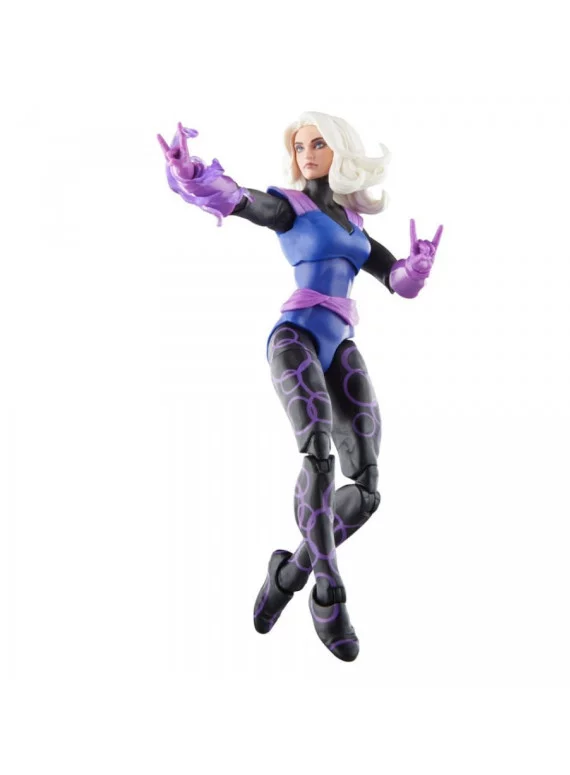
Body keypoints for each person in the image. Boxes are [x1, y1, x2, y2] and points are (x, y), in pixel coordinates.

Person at [158, 111, 442, 662]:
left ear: (341, 151)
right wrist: (191, 174)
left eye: (318, 144)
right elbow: (241, 200)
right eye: (299, 145)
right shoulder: (291, 207)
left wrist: (418, 268)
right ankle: (328, 594)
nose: (307, 153)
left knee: (366, 488)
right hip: (295, 339)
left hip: (341, 346)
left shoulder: (354, 225)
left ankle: (288, 574)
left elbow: (396, 281)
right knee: (318, 455)